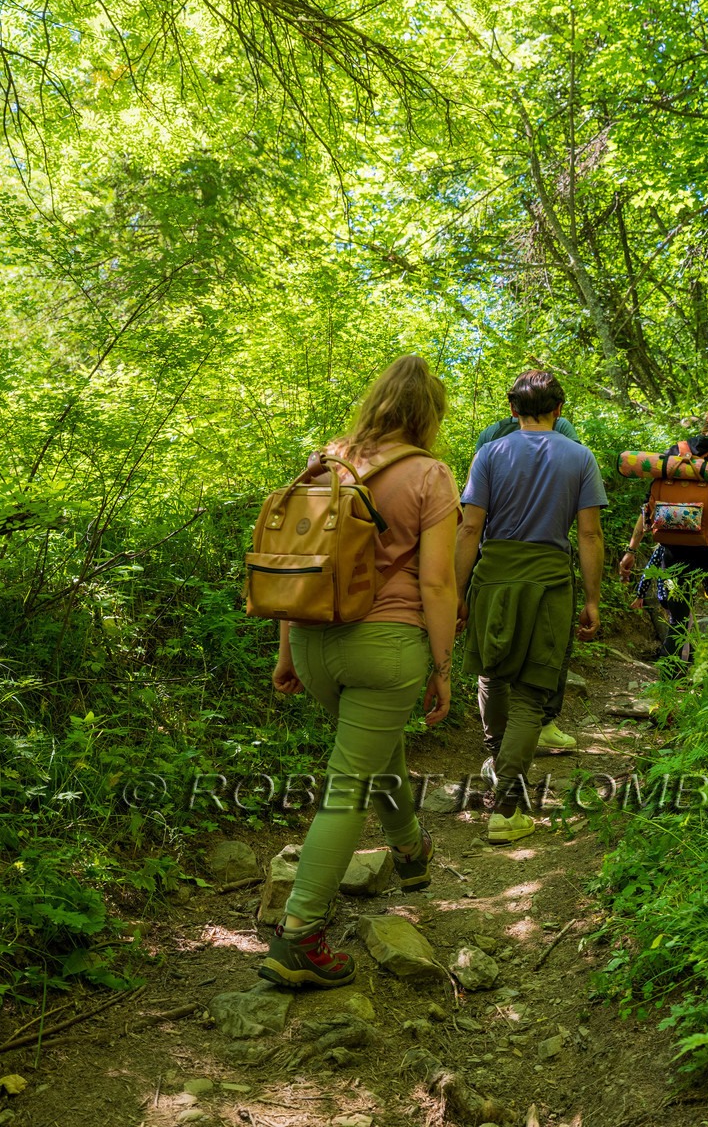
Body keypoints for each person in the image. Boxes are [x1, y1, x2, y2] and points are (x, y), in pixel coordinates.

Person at [261, 355, 458, 990]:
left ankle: (409, 850)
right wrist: (444, 663)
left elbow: (295, 559)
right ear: (430, 415)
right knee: (348, 784)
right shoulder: (431, 476)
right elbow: (437, 579)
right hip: (387, 646)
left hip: (317, 643)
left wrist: (286, 649)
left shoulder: (328, 461)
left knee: (372, 751)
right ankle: (300, 937)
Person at [456, 370, 606, 843]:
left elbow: (468, 529)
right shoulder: (580, 457)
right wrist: (594, 598)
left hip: (493, 576)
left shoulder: (489, 454)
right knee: (530, 691)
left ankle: (497, 761)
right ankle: (506, 808)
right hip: (548, 581)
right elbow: (588, 533)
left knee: (491, 675)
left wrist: (456, 594)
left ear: (513, 409)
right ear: (559, 410)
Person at [617, 407, 708, 669]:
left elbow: (649, 504)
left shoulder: (676, 451)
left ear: (704, 426)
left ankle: (671, 681)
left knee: (677, 618)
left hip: (674, 548)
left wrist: (631, 550)